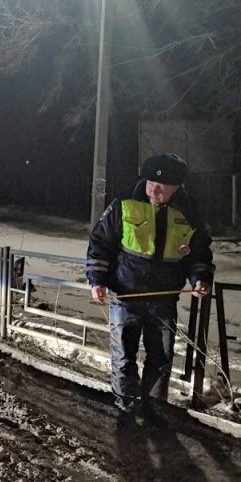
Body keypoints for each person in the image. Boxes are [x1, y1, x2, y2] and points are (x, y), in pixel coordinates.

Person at [86, 153, 214, 424]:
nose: (155, 189)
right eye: (151, 183)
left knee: (161, 358)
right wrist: (97, 280)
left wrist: (201, 278)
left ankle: (154, 409)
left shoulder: (189, 214)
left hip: (164, 300)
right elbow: (100, 243)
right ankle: (128, 410)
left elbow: (199, 255)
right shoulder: (124, 205)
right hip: (125, 295)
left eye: (163, 186)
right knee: (124, 357)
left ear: (177, 187)